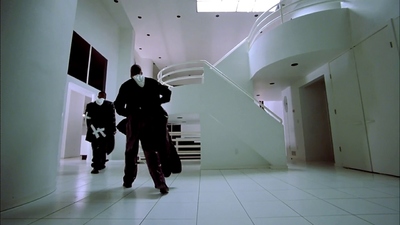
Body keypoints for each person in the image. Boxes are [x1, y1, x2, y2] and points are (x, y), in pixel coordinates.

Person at [114, 64, 171, 194]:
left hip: (133, 122)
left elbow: (118, 105)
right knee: (151, 152)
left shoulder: (126, 85)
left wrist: (128, 113)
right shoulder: (152, 83)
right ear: (142, 72)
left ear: (131, 73)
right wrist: (157, 104)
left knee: (130, 152)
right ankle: (160, 183)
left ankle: (128, 181)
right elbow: (167, 93)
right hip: (150, 121)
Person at [85, 91, 116, 174]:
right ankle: (98, 164)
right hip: (104, 131)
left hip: (95, 131)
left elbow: (88, 119)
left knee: (96, 148)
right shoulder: (109, 105)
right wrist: (113, 129)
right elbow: (112, 118)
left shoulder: (90, 105)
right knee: (101, 147)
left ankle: (98, 164)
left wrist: (90, 128)